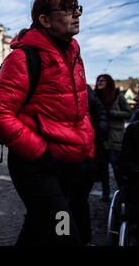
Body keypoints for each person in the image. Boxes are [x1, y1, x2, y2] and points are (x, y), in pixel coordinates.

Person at [0, 0, 94, 246]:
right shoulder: (23, 57)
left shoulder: (74, 56)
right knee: (66, 235)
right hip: (36, 165)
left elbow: (81, 111)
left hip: (70, 164)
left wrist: (87, 150)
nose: (76, 13)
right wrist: (42, 152)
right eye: (68, 9)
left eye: (78, 7)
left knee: (37, 231)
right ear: (45, 20)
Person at [68, 85, 107, 245]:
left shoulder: (84, 89)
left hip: (86, 156)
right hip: (70, 155)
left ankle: (81, 238)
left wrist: (95, 134)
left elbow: (101, 113)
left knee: (77, 201)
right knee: (66, 203)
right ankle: (67, 236)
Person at [95, 74, 131, 197]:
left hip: (115, 136)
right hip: (102, 137)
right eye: (98, 80)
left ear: (108, 82)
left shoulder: (117, 95)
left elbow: (127, 112)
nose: (99, 82)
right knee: (103, 168)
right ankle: (106, 194)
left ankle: (123, 194)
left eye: (102, 80)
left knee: (117, 167)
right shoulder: (96, 96)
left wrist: (112, 113)